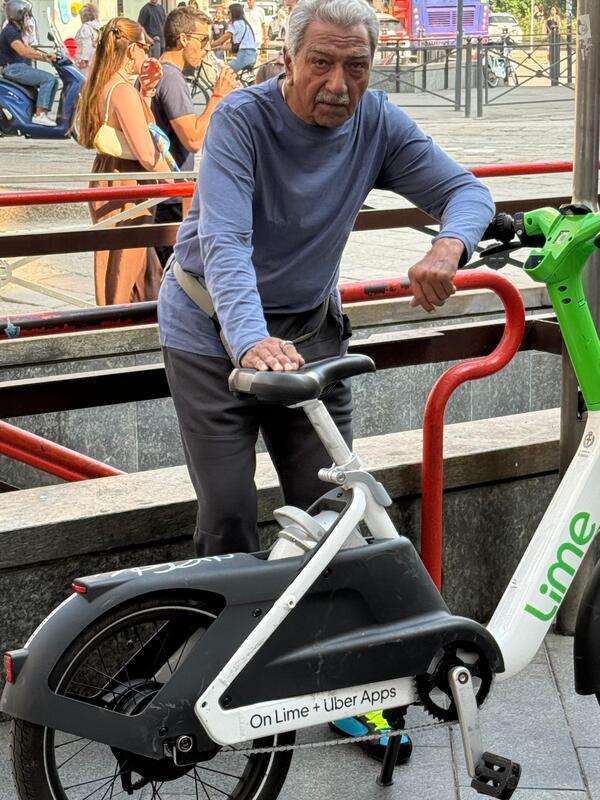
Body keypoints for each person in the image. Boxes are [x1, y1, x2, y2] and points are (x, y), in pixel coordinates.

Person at [158, 0, 494, 764]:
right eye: (321, 62)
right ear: (287, 60)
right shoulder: (241, 121)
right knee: (228, 516)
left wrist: (449, 247)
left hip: (309, 335)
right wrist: (250, 341)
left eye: (356, 65)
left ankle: (342, 690)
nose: (339, 83)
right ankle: (219, 682)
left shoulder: (376, 121)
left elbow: (468, 192)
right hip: (212, 331)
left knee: (335, 518)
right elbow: (226, 242)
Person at [77, 17, 171, 305]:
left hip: (108, 175)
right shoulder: (121, 91)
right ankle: (123, 320)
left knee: (122, 261)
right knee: (127, 266)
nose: (147, 54)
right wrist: (178, 182)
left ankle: (120, 316)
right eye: (145, 48)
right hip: (127, 182)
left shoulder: (101, 84)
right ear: (131, 50)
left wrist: (146, 93)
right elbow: (146, 152)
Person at [151, 5, 238, 266]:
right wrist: (219, 96)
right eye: (202, 40)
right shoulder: (172, 79)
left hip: (162, 189)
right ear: (183, 39)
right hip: (168, 193)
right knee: (174, 270)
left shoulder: (163, 72)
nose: (207, 48)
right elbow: (193, 139)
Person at [0, 0, 58, 126]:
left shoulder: (17, 31)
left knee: (54, 81)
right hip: (13, 69)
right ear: (18, 15)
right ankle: (39, 115)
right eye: (26, 15)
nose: (28, 17)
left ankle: (43, 113)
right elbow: (23, 51)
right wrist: (45, 56)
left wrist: (47, 57)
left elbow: (29, 49)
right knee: (48, 79)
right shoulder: (10, 31)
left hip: (19, 67)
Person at [211, 2, 256, 74]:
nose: (227, 15)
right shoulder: (245, 24)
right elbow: (231, 46)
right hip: (251, 56)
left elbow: (220, 41)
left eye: (229, 12)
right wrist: (217, 48)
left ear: (234, 13)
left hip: (244, 56)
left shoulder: (236, 24)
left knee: (224, 70)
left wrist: (207, 45)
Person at [74, 2, 100, 77]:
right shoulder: (96, 27)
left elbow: (86, 44)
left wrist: (84, 60)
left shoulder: (85, 28)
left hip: (86, 62)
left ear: (84, 16)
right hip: (94, 59)